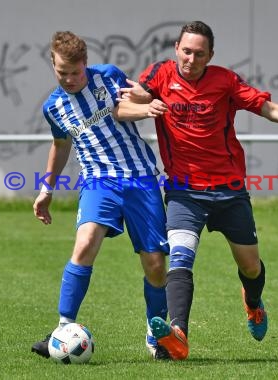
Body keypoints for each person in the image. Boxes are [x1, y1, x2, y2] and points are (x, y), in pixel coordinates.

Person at [116, 20, 278, 360]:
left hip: (229, 192)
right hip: (184, 192)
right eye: (186, 51)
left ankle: (254, 303)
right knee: (180, 260)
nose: (191, 59)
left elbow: (270, 109)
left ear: (210, 55)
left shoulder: (225, 81)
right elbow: (121, 107)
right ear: (176, 49)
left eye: (199, 53)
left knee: (251, 268)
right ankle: (178, 334)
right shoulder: (158, 74)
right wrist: (144, 107)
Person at [30, 31, 172, 360]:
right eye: (62, 72)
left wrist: (146, 105)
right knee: (84, 244)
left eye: (75, 72)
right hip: (98, 181)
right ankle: (63, 328)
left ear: (86, 64)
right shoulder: (54, 107)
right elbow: (61, 145)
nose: (69, 79)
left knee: (154, 264)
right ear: (53, 64)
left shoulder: (107, 76)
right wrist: (46, 188)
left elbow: (128, 104)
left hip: (140, 178)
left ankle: (156, 332)